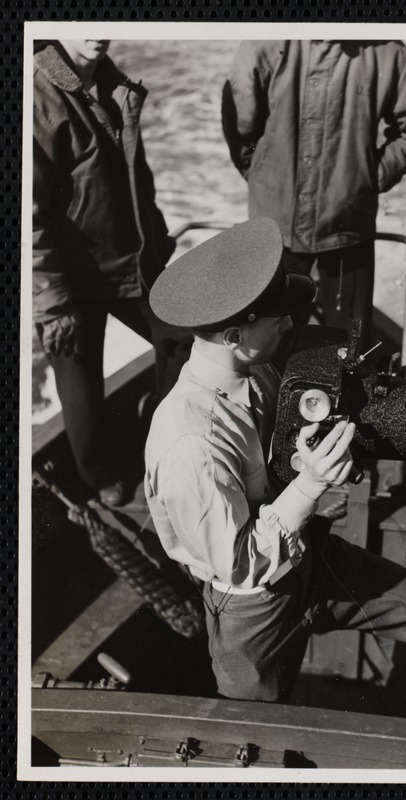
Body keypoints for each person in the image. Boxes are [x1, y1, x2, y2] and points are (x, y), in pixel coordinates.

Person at [144, 218, 406, 703]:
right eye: (278, 319)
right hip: (253, 605)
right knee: (254, 727)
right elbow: (240, 566)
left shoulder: (260, 368)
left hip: (308, 553)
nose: (292, 324)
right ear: (234, 335)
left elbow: (292, 432)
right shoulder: (191, 443)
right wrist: (311, 485)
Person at [33, 39, 193, 506]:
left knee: (183, 338)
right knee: (80, 384)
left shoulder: (113, 83)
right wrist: (52, 302)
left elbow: (136, 179)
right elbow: (28, 215)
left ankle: (160, 440)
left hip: (128, 263)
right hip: (67, 279)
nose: (98, 32)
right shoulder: (37, 93)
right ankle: (101, 476)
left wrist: (157, 242)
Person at [222, 40, 406, 347]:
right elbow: (240, 122)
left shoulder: (388, 52)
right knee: (263, 347)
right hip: (275, 226)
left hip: (348, 227)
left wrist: (365, 178)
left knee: (350, 348)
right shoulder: (266, 40)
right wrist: (262, 172)